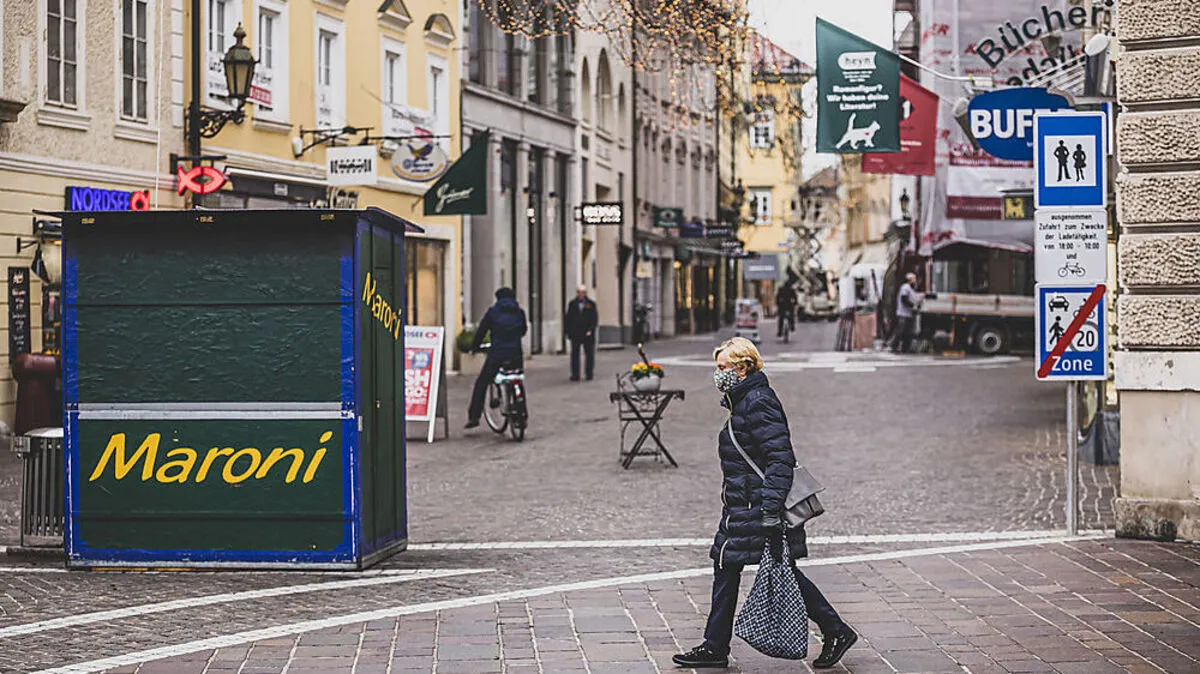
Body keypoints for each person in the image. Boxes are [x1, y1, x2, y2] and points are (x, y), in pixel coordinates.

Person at [673, 338, 857, 670]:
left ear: (742, 369)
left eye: (722, 368)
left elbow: (779, 459)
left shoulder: (758, 402)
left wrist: (771, 510)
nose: (718, 375)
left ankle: (835, 629)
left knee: (781, 571)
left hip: (759, 508)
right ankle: (715, 645)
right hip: (741, 508)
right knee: (726, 565)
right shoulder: (742, 401)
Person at [465, 287, 527, 429]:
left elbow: (482, 330)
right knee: (517, 379)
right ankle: (522, 414)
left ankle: (474, 417)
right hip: (516, 353)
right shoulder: (519, 312)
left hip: (497, 354)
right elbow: (523, 330)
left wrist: (475, 347)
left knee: (482, 382)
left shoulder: (493, 312)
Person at [564, 285, 599, 381]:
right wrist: (567, 331)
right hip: (575, 333)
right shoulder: (572, 304)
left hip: (588, 333)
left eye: (583, 292)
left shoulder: (591, 304)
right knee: (575, 353)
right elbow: (568, 318)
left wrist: (591, 330)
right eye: (579, 292)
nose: (581, 294)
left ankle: (589, 373)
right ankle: (575, 374)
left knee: (589, 354)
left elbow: (594, 319)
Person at [891, 273, 921, 354]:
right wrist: (912, 306)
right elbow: (904, 299)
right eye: (914, 279)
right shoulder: (905, 288)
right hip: (903, 313)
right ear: (910, 280)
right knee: (900, 331)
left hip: (909, 313)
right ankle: (894, 346)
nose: (915, 281)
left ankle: (905, 348)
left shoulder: (911, 289)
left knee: (907, 332)